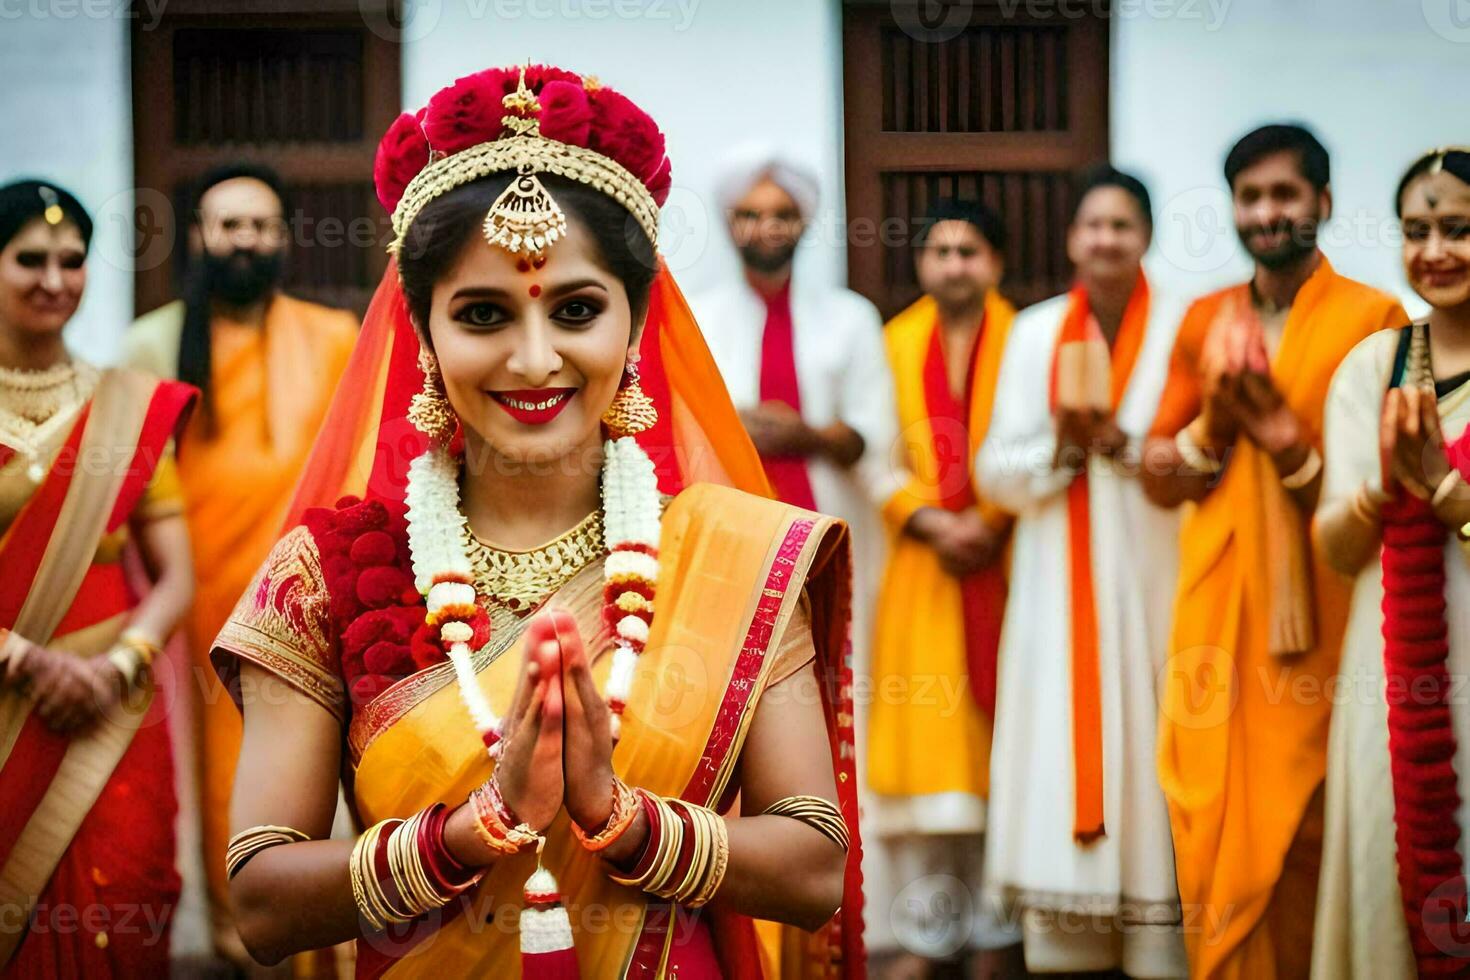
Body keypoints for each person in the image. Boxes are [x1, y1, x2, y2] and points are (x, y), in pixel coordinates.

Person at [209, 64, 865, 977]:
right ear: (423, 333)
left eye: (577, 310)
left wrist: (618, 818)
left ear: (634, 327)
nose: (533, 356)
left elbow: (813, 870)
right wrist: (473, 832)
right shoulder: (323, 572)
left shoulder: (731, 555)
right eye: (482, 313)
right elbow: (263, 902)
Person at [1141, 124, 1407, 979]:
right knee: (1208, 801)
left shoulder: (1376, 320)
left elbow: (1386, 486)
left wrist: (1286, 443)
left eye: (1284, 194)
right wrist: (1218, 426)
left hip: (1330, 603)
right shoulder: (1203, 319)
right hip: (1219, 604)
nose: (1266, 213)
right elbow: (1160, 476)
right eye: (1250, 197)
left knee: (1317, 810)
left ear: (1322, 204)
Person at [122, 162, 359, 958]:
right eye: (228, 224)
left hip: (314, 601)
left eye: (260, 225)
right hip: (204, 607)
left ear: (284, 237)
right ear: (198, 237)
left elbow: (360, 464)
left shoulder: (333, 337)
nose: (245, 240)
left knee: (328, 781)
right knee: (222, 785)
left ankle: (331, 943)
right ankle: (239, 944)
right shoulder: (153, 343)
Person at [978, 166, 1188, 977]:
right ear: (1072, 239)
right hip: (1054, 586)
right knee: (1057, 726)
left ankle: (1157, 937)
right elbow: (996, 469)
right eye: (1092, 225)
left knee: (1153, 716)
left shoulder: (1182, 324)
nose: (1106, 240)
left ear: (1146, 237)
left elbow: (1201, 447)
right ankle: (1066, 940)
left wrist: (1125, 450)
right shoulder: (1034, 334)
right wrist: (1064, 446)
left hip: (1153, 566)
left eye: (1122, 226)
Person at [692, 148, 901, 959]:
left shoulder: (850, 317)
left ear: (805, 223)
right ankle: (747, 910)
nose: (766, 227)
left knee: (845, 712)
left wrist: (802, 432)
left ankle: (855, 916)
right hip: (738, 556)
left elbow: (875, 440)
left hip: (831, 553)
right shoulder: (701, 316)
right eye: (751, 214)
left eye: (781, 214)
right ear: (730, 223)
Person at [0, 179, 196, 974]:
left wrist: (120, 665)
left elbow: (179, 575)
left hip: (112, 715)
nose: (55, 279)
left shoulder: (126, 405)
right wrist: (24, 660)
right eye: (30, 260)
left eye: (73, 260)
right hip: (9, 707)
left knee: (128, 898)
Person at [1311, 147, 1470, 979]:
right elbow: (1336, 550)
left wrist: (1449, 496)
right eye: (1417, 230)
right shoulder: (1371, 368)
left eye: (1458, 228)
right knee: (1385, 862)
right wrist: (1381, 493)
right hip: (1393, 678)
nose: (1435, 250)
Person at [866, 199, 1019, 975]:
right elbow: (875, 455)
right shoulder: (892, 343)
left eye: (970, 251)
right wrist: (929, 520)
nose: (955, 265)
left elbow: (1038, 443)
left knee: (1006, 771)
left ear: (995, 263)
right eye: (941, 251)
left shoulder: (1026, 338)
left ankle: (997, 940)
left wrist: (991, 520)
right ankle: (929, 941)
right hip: (925, 571)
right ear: (921, 265)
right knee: (932, 789)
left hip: (1009, 565)